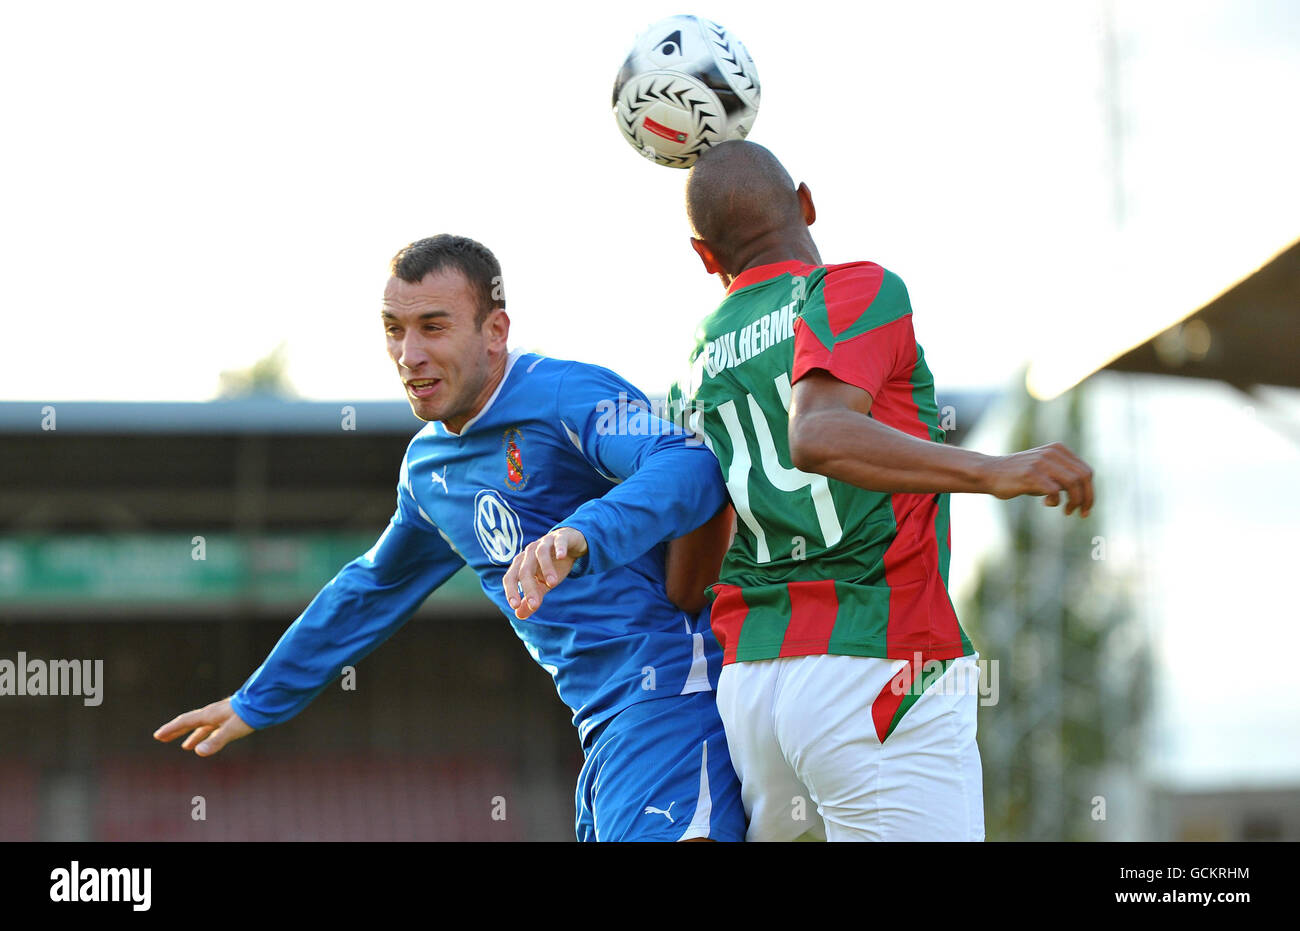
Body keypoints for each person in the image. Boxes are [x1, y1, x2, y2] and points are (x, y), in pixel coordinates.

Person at [509, 140, 1095, 842]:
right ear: (807, 203)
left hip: (755, 688)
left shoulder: (693, 369)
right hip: (880, 661)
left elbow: (688, 581)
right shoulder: (855, 289)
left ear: (705, 257)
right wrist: (993, 470)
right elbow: (817, 434)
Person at [153, 234, 746, 843]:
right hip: (603, 727)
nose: (408, 353)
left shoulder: (564, 395)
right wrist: (257, 700)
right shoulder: (428, 472)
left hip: (675, 694)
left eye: (433, 328)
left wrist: (580, 533)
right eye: (394, 329)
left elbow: (690, 465)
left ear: (495, 331)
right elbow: (371, 589)